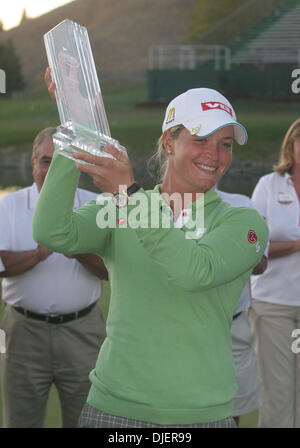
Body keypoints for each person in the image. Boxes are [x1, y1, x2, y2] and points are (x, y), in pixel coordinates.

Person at [33, 81, 268, 428]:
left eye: (226, 144)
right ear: (168, 142)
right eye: (201, 139)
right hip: (113, 409)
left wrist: (130, 195)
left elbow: (193, 271)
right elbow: (52, 231)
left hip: (201, 415)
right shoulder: (120, 207)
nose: (215, 155)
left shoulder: (243, 220)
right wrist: (75, 131)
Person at [0, 127, 108, 428]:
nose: (51, 170)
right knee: (20, 420)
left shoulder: (95, 205)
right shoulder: (8, 206)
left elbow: (110, 271)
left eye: (63, 161)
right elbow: (2, 264)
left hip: (83, 331)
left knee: (87, 420)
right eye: (46, 161)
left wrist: (79, 251)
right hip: (22, 332)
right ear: (33, 163)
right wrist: (38, 253)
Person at [249, 117, 300, 428]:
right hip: (274, 306)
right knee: (278, 395)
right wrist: (295, 245)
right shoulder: (269, 185)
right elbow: (253, 246)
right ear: (291, 146)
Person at [215, 188, 268, 426]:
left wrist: (239, 245)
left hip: (232, 326)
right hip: (178, 328)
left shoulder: (241, 204)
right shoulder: (163, 207)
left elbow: (260, 264)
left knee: (231, 413)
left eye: (225, 147)